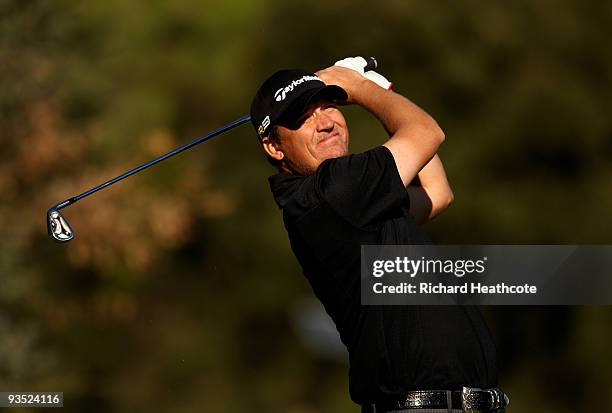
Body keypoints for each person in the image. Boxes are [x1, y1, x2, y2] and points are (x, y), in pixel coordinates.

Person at [250, 58, 509, 413]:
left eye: (328, 105)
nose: (324, 122)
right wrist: (359, 89)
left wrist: (379, 89)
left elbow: (437, 192)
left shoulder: (355, 199)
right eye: (302, 117)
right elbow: (427, 133)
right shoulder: (332, 192)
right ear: (274, 147)